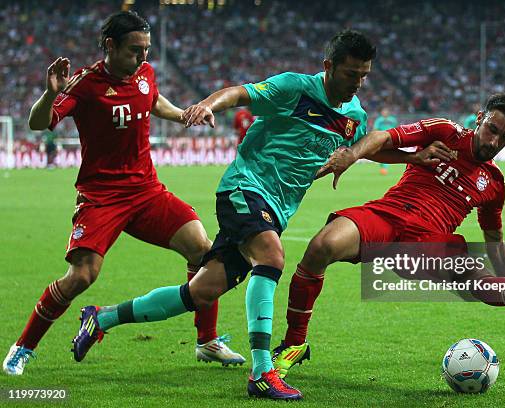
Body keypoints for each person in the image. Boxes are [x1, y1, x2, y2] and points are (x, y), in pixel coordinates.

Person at [68, 29, 449, 400]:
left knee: (200, 292)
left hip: (278, 208)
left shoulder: (354, 114)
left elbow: (363, 148)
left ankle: (101, 317)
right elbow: (240, 92)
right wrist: (207, 105)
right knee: (271, 257)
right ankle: (263, 371)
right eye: (351, 74)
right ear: (329, 65)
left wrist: (410, 156)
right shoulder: (295, 88)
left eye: (364, 76)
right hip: (245, 188)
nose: (358, 84)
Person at [272, 93, 505, 378]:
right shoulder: (445, 132)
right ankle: (295, 344)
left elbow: (494, 239)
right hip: (388, 215)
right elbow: (383, 137)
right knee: (321, 246)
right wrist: (352, 155)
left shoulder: (494, 182)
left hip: (428, 242)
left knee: (474, 279)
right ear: (479, 119)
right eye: (492, 130)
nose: (494, 142)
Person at [2, 11, 244, 377]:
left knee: (202, 248)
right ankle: (23, 347)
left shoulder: (144, 73)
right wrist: (50, 93)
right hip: (101, 197)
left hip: (147, 191)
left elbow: (153, 99)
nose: (143, 58)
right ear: (110, 46)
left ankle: (206, 342)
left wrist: (183, 116)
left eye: (146, 49)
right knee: (82, 276)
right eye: (135, 50)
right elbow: (40, 123)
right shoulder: (84, 84)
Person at [372, 107, 398, 175]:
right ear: (381, 112)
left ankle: (384, 167)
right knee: (382, 152)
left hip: (391, 137)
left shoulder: (392, 119)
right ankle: (384, 167)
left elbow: (396, 128)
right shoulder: (379, 120)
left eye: (386, 111)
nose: (385, 113)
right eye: (383, 111)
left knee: (387, 152)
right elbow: (375, 128)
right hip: (381, 137)